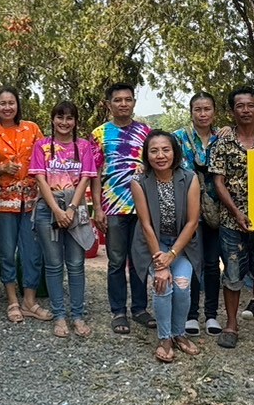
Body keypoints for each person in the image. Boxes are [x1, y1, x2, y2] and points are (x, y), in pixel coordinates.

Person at [208, 87, 254, 349]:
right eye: (240, 106)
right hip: (232, 222)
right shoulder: (222, 144)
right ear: (233, 111)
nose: (246, 110)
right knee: (232, 274)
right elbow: (218, 182)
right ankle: (231, 325)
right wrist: (237, 213)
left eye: (251, 105)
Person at [30, 101, 103, 338]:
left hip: (75, 207)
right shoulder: (42, 146)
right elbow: (40, 179)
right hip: (47, 208)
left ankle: (78, 315)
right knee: (53, 265)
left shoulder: (83, 147)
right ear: (52, 119)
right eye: (59, 117)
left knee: (76, 264)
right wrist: (57, 210)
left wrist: (70, 209)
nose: (64, 122)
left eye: (69, 117)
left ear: (75, 121)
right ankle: (59, 316)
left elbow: (86, 178)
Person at [130, 130, 203, 364]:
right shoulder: (139, 182)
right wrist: (161, 264)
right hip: (153, 242)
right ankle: (164, 339)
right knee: (163, 284)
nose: (160, 155)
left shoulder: (190, 178)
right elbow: (146, 224)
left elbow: (192, 222)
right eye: (154, 151)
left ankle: (179, 333)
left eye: (165, 149)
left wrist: (172, 254)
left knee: (182, 285)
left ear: (174, 152)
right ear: (147, 155)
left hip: (182, 243)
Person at [0, 88, 49, 325]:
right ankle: (12, 301)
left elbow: (45, 158)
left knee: (32, 253)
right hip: (3, 204)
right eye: (3, 103)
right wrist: (0, 169)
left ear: (17, 105)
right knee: (7, 253)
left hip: (31, 202)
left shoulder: (32, 129)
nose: (7, 107)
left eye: (11, 102)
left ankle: (29, 301)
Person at [91, 83, 152, 334]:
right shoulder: (99, 134)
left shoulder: (146, 132)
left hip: (142, 208)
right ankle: (118, 311)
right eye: (118, 100)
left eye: (128, 99)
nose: (123, 104)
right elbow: (94, 174)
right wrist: (98, 208)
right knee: (116, 261)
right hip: (113, 207)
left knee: (139, 260)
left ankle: (139, 309)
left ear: (134, 103)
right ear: (109, 104)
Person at [172, 92, 223, 335]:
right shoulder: (178, 138)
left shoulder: (223, 137)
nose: (203, 114)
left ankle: (211, 315)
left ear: (214, 111)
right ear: (191, 112)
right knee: (193, 262)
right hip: (188, 211)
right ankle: (191, 315)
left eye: (207, 109)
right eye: (198, 109)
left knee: (212, 263)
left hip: (217, 211)